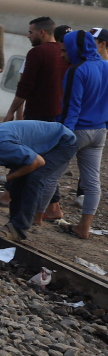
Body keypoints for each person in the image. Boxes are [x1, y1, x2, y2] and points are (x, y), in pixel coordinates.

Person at [0, 121, 77, 242]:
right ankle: (13, 224)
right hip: (42, 141)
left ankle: (18, 229)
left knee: (34, 177)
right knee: (18, 180)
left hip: (62, 142)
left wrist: (6, 178)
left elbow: (38, 162)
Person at [0, 16, 70, 215]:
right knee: (45, 161)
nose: (28, 36)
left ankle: (9, 196)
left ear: (42, 33)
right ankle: (52, 206)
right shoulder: (65, 52)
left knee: (25, 156)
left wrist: (12, 111)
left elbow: (25, 87)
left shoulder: (38, 52)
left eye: (31, 32)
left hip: (38, 115)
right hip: (60, 116)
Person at [58, 29, 108, 239]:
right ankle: (84, 227)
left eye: (65, 49)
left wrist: (64, 133)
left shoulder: (77, 70)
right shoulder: (106, 66)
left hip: (77, 130)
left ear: (74, 48)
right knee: (92, 181)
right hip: (99, 131)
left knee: (50, 173)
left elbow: (72, 106)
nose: (63, 54)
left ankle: (38, 215)